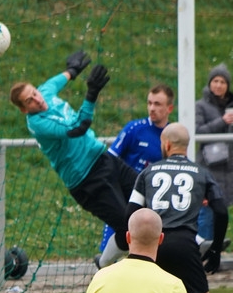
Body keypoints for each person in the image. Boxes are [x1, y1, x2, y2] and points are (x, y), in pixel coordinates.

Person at [125, 122, 227, 293]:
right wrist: (216, 249)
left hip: (152, 247)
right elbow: (221, 210)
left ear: (166, 144)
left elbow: (131, 212)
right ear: (185, 145)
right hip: (185, 245)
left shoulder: (148, 172)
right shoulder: (201, 173)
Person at [9, 49, 138, 263]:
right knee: (127, 230)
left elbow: (63, 77)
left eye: (34, 93)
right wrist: (91, 94)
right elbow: (78, 127)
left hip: (104, 159)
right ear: (24, 110)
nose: (37, 99)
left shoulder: (44, 91)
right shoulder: (39, 124)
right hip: (87, 181)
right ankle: (104, 263)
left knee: (148, 196)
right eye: (29, 100)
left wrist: (72, 70)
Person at [97, 83, 175, 264]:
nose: (152, 108)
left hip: (155, 201)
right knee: (118, 235)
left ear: (169, 108)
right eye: (149, 103)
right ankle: (104, 266)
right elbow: (110, 159)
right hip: (126, 197)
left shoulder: (172, 135)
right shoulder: (134, 129)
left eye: (157, 104)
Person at [195, 63, 233, 243]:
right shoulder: (200, 106)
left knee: (220, 212)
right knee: (206, 212)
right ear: (209, 83)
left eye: (223, 82)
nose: (219, 85)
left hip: (228, 168)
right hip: (208, 166)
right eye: (215, 81)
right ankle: (202, 249)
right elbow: (198, 131)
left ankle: (215, 249)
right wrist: (222, 121)